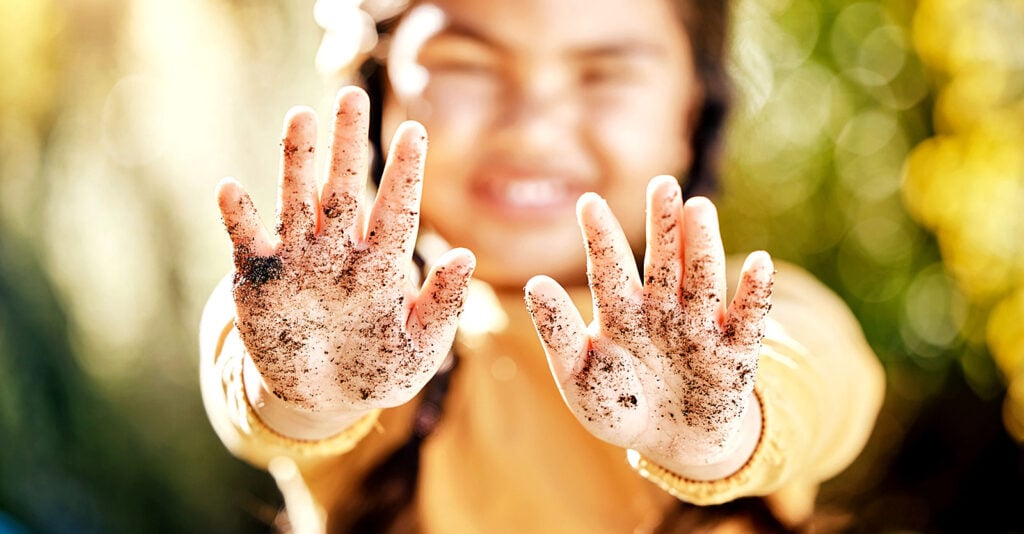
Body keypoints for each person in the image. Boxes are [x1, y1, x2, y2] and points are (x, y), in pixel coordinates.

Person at [198, 0, 885, 532]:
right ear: (380, 89)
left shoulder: (744, 321)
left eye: (605, 74)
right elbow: (255, 383)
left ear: (695, 110)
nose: (531, 126)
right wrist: (306, 385)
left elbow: (817, 376)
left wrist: (721, 432)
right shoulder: (356, 330)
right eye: (468, 63)